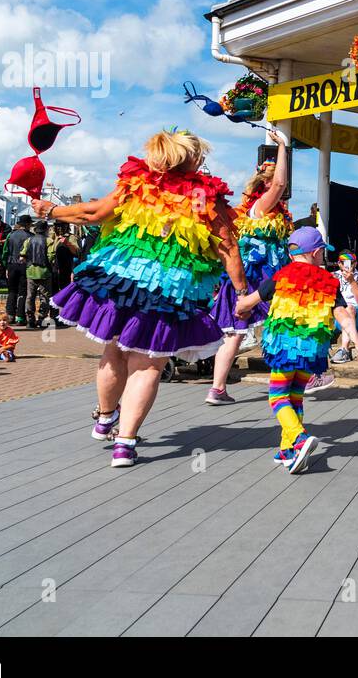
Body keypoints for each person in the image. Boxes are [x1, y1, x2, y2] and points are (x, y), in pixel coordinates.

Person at [31, 129, 248, 468]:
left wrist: (51, 210)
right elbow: (227, 248)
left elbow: (94, 214)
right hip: (168, 292)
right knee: (147, 365)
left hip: (119, 283)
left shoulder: (135, 183)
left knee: (113, 350)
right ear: (191, 159)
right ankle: (125, 443)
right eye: (200, 156)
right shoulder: (205, 196)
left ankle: (105, 418)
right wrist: (242, 292)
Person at [235, 226, 358, 473]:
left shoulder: (280, 276)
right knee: (295, 395)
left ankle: (298, 438)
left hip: (285, 347)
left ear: (291, 254)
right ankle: (287, 448)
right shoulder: (329, 281)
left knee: (277, 396)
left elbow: (250, 301)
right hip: (313, 349)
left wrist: (239, 306)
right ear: (317, 253)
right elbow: (343, 314)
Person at [206, 132, 292, 406]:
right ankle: (299, 376)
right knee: (283, 321)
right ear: (265, 183)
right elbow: (279, 183)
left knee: (237, 332)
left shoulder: (273, 209)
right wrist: (282, 147)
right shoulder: (260, 205)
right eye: (275, 179)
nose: (282, 185)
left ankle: (217, 389)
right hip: (257, 276)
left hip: (258, 274)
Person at [330, 250, 358, 363]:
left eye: (350, 262)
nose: (346, 265)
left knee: (350, 308)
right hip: (338, 316)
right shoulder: (332, 277)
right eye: (343, 262)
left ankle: (344, 349)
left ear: (355, 263)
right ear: (339, 263)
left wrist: (352, 281)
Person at [22, 220, 54, 327]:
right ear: (46, 229)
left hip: (30, 271)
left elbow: (22, 254)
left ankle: (30, 320)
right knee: (44, 296)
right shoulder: (49, 241)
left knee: (30, 296)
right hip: (44, 272)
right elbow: (51, 256)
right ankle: (42, 319)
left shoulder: (28, 240)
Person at [2, 215, 32, 326]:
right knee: (23, 291)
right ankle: (20, 316)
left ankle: (10, 315)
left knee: (11, 291)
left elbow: (5, 252)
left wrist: (6, 266)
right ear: (28, 224)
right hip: (24, 265)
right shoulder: (30, 236)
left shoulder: (11, 235)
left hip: (11, 265)